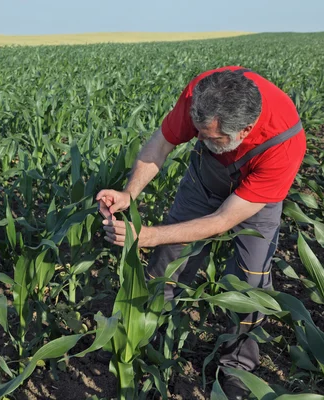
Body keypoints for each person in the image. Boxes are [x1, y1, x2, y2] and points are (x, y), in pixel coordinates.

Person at [96, 66, 306, 399]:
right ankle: (138, 339)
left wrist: (147, 235)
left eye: (211, 138)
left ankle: (237, 371)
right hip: (205, 179)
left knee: (251, 282)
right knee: (168, 260)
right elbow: (162, 142)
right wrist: (129, 194)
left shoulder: (284, 142)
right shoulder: (203, 94)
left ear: (246, 129)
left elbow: (223, 220)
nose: (200, 140)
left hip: (256, 202)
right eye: (199, 133)